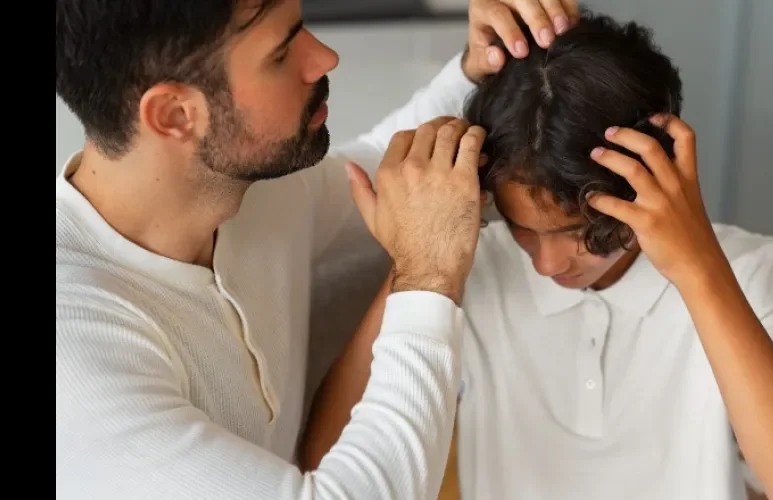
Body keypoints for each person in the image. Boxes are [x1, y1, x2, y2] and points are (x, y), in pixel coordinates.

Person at [54, 0, 584, 498]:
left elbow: (382, 170)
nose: (324, 58)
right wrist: (427, 278)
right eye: (282, 53)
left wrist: (477, 66)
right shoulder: (76, 354)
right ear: (173, 114)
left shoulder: (249, 188)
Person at [300, 10, 773, 500]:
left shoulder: (743, 271)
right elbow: (326, 465)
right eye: (522, 230)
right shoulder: (471, 271)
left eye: (582, 233)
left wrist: (699, 269)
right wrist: (419, 262)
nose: (548, 263)